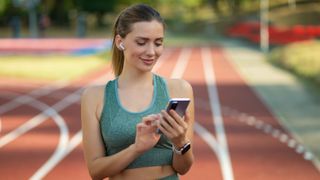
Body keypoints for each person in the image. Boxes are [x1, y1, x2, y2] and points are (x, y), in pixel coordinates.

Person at [81, 4, 194, 180]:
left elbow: (183, 167)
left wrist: (180, 142)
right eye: (141, 42)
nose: (151, 52)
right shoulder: (94, 97)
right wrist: (137, 148)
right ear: (120, 42)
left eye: (158, 43)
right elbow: (96, 171)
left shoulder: (179, 89)